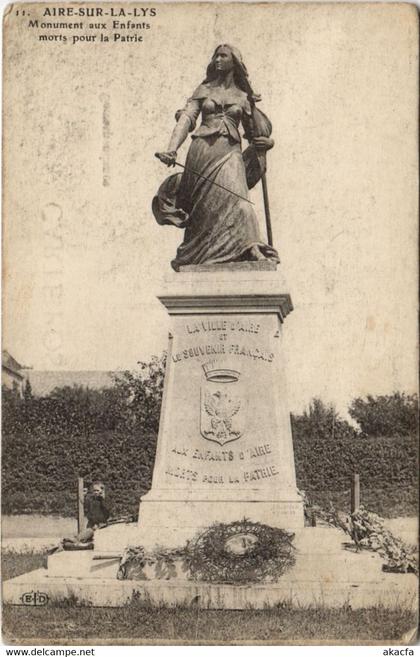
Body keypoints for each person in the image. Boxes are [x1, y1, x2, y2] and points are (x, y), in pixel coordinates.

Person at [153, 44, 280, 271]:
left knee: (239, 200)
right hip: (202, 151)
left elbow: (255, 134)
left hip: (229, 152)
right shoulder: (204, 90)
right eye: (216, 56)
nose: (218, 60)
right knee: (205, 207)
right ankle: (201, 255)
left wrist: (266, 144)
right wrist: (171, 149)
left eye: (224, 56)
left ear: (235, 62)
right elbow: (187, 119)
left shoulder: (243, 97)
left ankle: (250, 246)